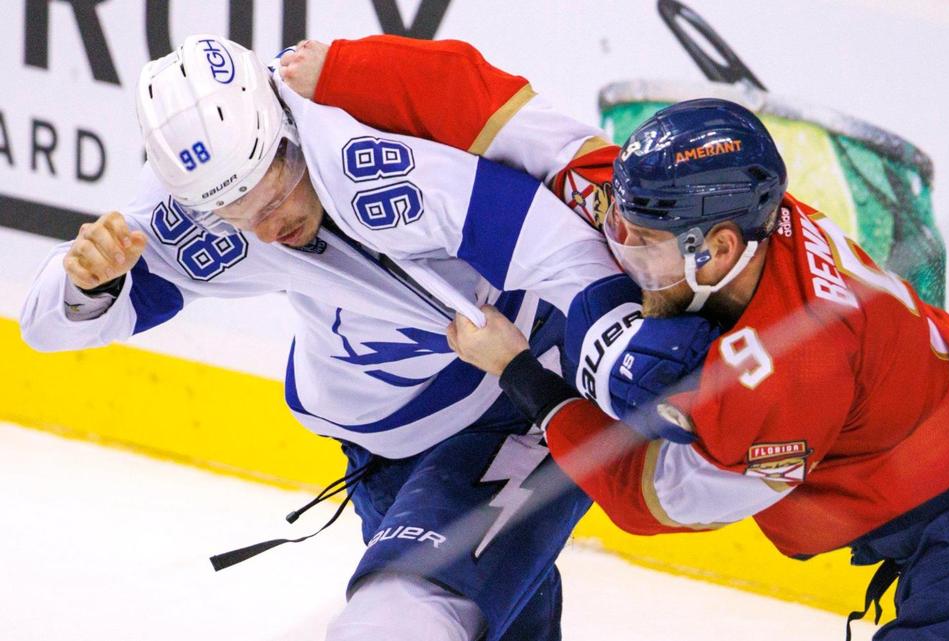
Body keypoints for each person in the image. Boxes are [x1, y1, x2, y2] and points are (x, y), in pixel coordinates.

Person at [445, 99, 949, 640]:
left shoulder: (786, 376)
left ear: (714, 245)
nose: (625, 245)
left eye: (644, 237)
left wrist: (521, 372)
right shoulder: (764, 232)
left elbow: (642, 493)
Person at [20, 34, 622, 641]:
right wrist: (88, 281)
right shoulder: (213, 201)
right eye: (237, 214)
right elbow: (45, 324)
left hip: (518, 397)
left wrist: (628, 355)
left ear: (286, 127)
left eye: (275, 190)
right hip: (379, 445)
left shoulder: (388, 162)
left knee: (405, 611)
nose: (270, 228)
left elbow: (563, 245)